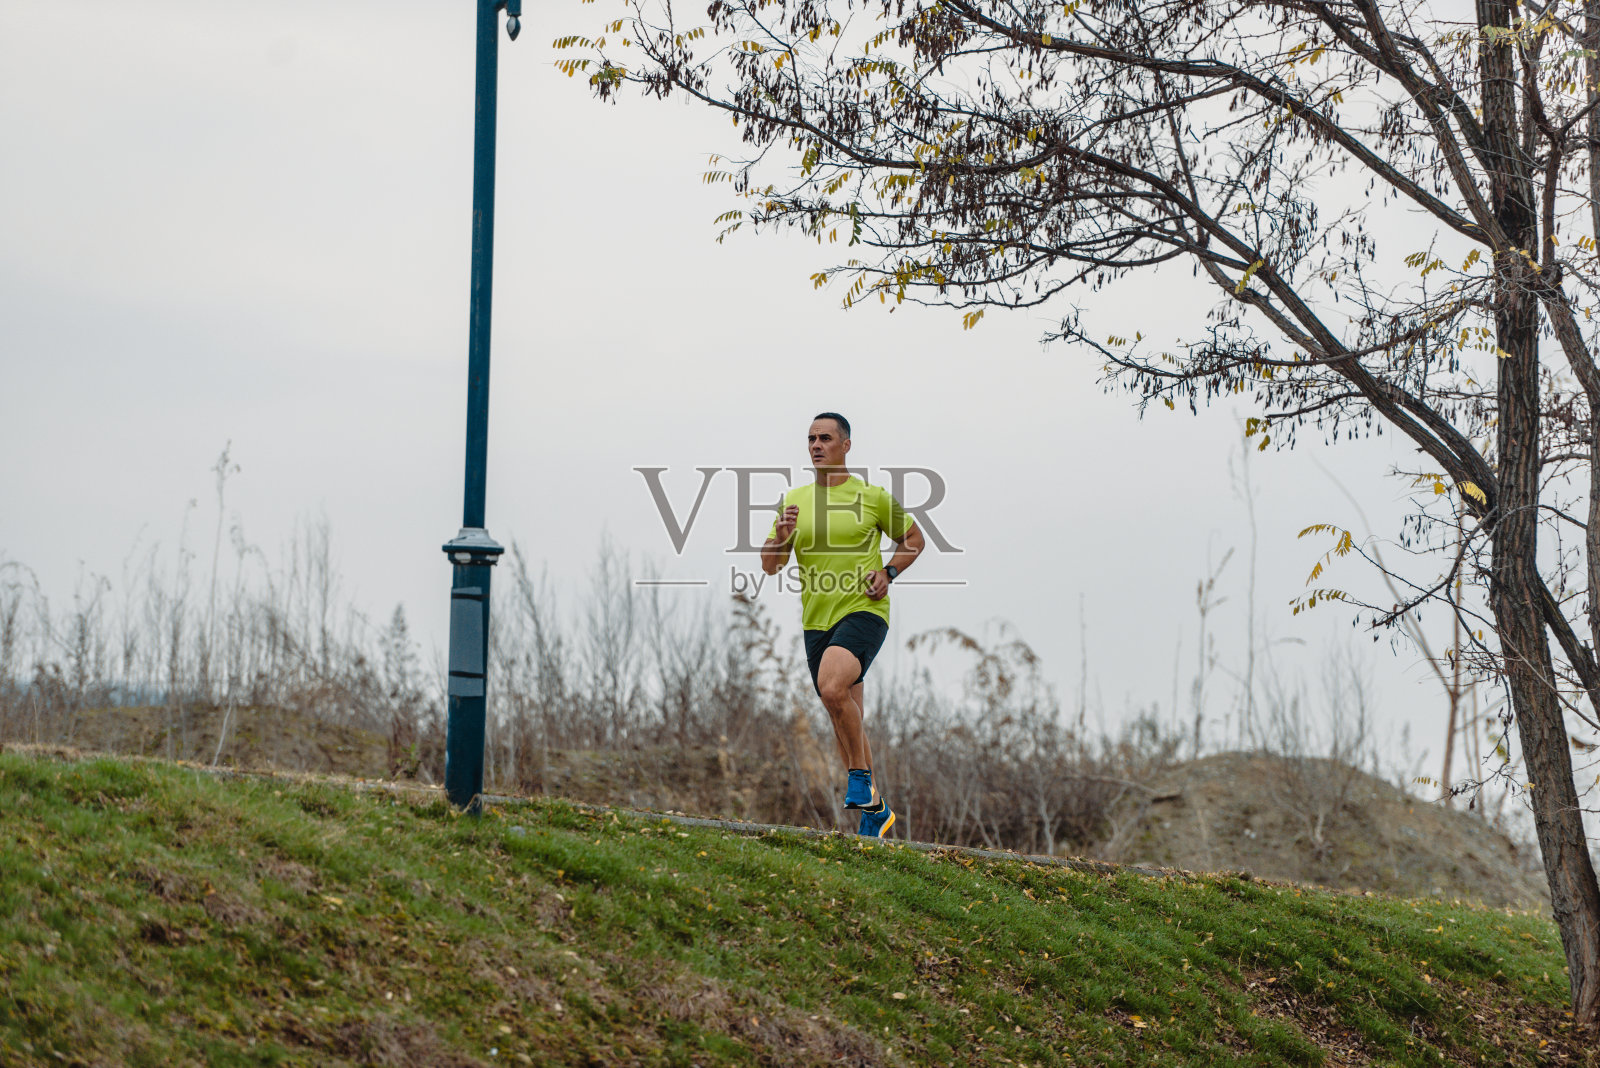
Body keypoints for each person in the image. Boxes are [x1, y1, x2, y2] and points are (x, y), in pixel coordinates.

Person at [761, 412, 924, 837]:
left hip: (864, 610)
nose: (817, 445)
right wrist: (779, 535)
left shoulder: (872, 497)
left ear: (846, 445)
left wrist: (888, 573)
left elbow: (914, 540)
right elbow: (770, 565)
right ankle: (875, 812)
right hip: (816, 620)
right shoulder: (794, 501)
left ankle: (859, 780)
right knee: (842, 713)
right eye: (811, 439)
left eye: (826, 438)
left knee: (832, 687)